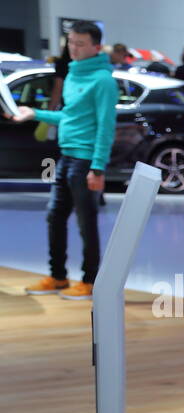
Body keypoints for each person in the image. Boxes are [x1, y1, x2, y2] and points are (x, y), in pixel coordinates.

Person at [10, 21, 117, 300]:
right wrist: (34, 114)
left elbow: (106, 127)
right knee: (54, 216)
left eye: (80, 44)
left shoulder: (103, 80)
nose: (74, 48)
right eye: (71, 43)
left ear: (96, 47)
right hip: (66, 157)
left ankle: (90, 280)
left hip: (85, 162)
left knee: (86, 222)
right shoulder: (72, 74)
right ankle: (58, 276)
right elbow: (68, 117)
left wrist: (98, 167)